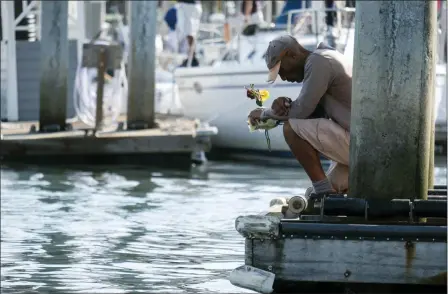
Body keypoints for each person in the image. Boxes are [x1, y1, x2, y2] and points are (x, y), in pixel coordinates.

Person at [248, 35, 352, 195]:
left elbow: (301, 112)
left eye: (281, 70)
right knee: (312, 194)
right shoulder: (326, 56)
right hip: (360, 142)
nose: (283, 77)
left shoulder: (318, 61)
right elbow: (311, 114)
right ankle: (325, 193)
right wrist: (286, 105)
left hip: (358, 144)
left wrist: (264, 114)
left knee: (291, 129)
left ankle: (324, 193)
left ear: (292, 55)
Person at [176, 0, 202, 67]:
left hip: (190, 6)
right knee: (187, 32)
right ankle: (192, 57)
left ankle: (192, 57)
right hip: (187, 5)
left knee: (190, 32)